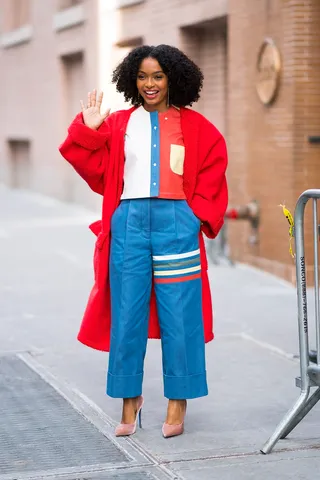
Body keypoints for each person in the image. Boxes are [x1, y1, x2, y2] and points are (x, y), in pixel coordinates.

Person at [59, 44, 228, 439]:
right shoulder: (119, 123)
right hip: (129, 225)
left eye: (157, 76)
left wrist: (193, 216)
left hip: (176, 225)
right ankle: (128, 399)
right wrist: (89, 128)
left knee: (180, 313)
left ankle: (177, 400)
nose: (149, 84)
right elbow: (93, 168)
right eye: (142, 76)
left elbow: (213, 169)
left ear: (173, 78)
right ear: (132, 80)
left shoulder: (196, 127)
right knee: (127, 312)